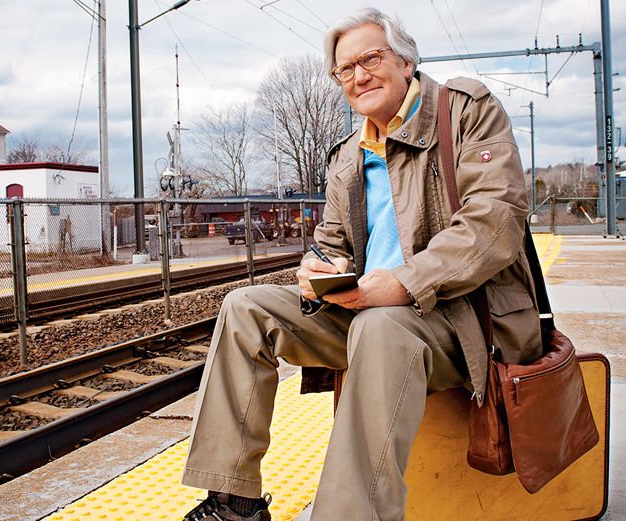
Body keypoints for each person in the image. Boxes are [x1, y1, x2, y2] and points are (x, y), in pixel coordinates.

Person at [181, 7, 542, 521]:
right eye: (344, 70)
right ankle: (233, 504)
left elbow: (495, 221)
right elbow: (330, 242)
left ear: (405, 61)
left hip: (463, 320)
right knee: (245, 307)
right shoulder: (349, 155)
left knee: (379, 324)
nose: (358, 76)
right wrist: (317, 270)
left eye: (370, 59)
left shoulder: (464, 111)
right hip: (371, 312)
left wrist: (403, 282)